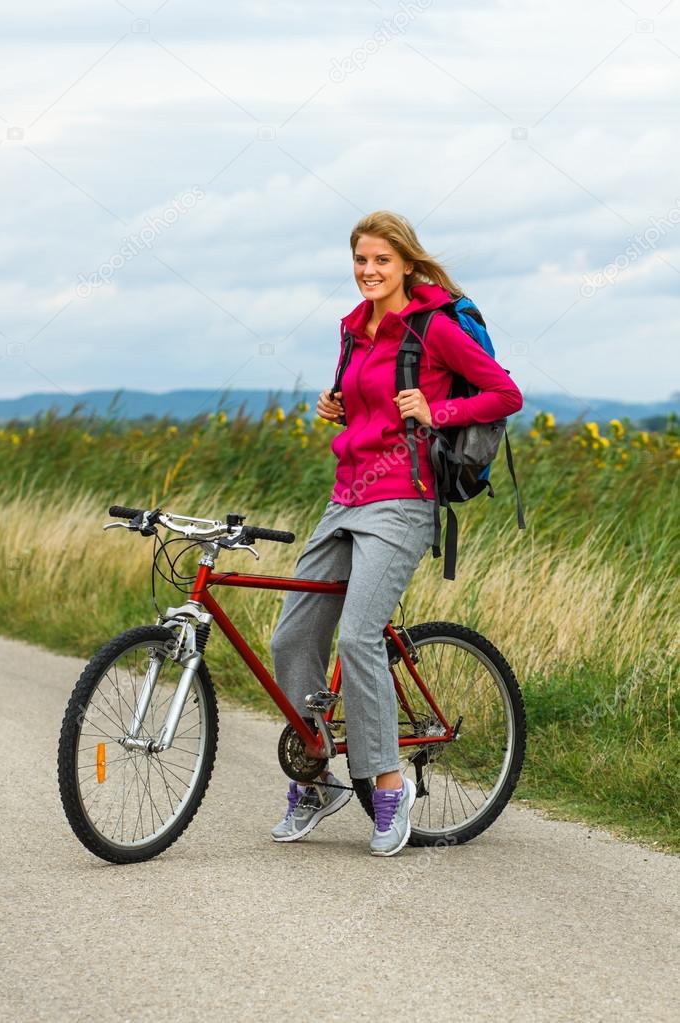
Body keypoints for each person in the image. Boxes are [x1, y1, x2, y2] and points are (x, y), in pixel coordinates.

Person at [269, 210, 523, 857]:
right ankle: (316, 773)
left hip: (403, 499)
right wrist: (337, 407)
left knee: (357, 636)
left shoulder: (434, 327)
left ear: (406, 263)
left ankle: (387, 786)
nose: (369, 271)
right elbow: (367, 401)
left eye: (381, 260)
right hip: (346, 494)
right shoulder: (353, 330)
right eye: (360, 261)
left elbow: (504, 393)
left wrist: (440, 410)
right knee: (292, 632)